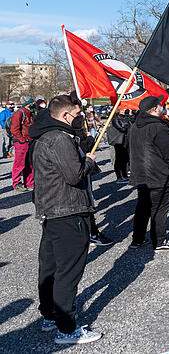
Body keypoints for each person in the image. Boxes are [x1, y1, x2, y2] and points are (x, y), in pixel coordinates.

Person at [30, 95, 103, 344]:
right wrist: (89, 161)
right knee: (67, 271)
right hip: (67, 210)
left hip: (52, 210)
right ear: (65, 116)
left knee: (50, 267)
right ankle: (67, 327)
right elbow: (74, 175)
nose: (80, 117)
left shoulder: (43, 137)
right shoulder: (60, 139)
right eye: (77, 113)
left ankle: (50, 314)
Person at [129, 96, 169, 253]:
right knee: (160, 209)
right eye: (160, 106)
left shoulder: (135, 126)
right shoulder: (159, 128)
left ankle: (138, 239)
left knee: (143, 207)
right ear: (153, 109)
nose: (162, 108)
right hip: (159, 176)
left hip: (142, 175)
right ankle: (159, 241)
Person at [10, 96, 35, 191]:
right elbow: (14, 129)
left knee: (29, 164)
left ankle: (29, 183)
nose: (33, 105)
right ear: (26, 104)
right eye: (31, 103)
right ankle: (16, 183)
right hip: (21, 142)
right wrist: (22, 139)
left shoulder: (30, 113)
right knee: (19, 164)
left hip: (29, 141)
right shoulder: (19, 114)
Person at [106, 108, 131, 182]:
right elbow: (121, 128)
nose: (123, 111)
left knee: (125, 159)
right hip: (118, 141)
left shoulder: (126, 118)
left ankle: (125, 174)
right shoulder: (115, 119)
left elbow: (130, 125)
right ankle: (119, 176)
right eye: (121, 110)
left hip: (125, 140)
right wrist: (127, 125)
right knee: (118, 159)